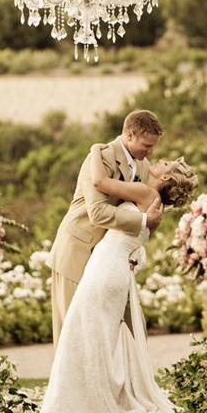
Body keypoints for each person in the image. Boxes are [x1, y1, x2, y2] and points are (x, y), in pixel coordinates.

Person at [39, 147, 198, 413]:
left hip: (105, 268)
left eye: (163, 163)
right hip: (113, 268)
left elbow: (101, 183)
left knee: (82, 329)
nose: (156, 161)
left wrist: (93, 150)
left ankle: (82, 402)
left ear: (166, 178)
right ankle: (91, 396)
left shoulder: (148, 195)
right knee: (96, 333)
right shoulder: (153, 204)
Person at [46, 110, 165, 345]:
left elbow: (143, 209)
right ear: (129, 135)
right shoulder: (100, 158)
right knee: (72, 333)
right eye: (146, 145)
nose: (150, 152)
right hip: (77, 253)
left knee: (126, 329)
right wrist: (143, 221)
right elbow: (98, 212)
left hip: (109, 260)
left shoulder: (143, 166)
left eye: (153, 147)